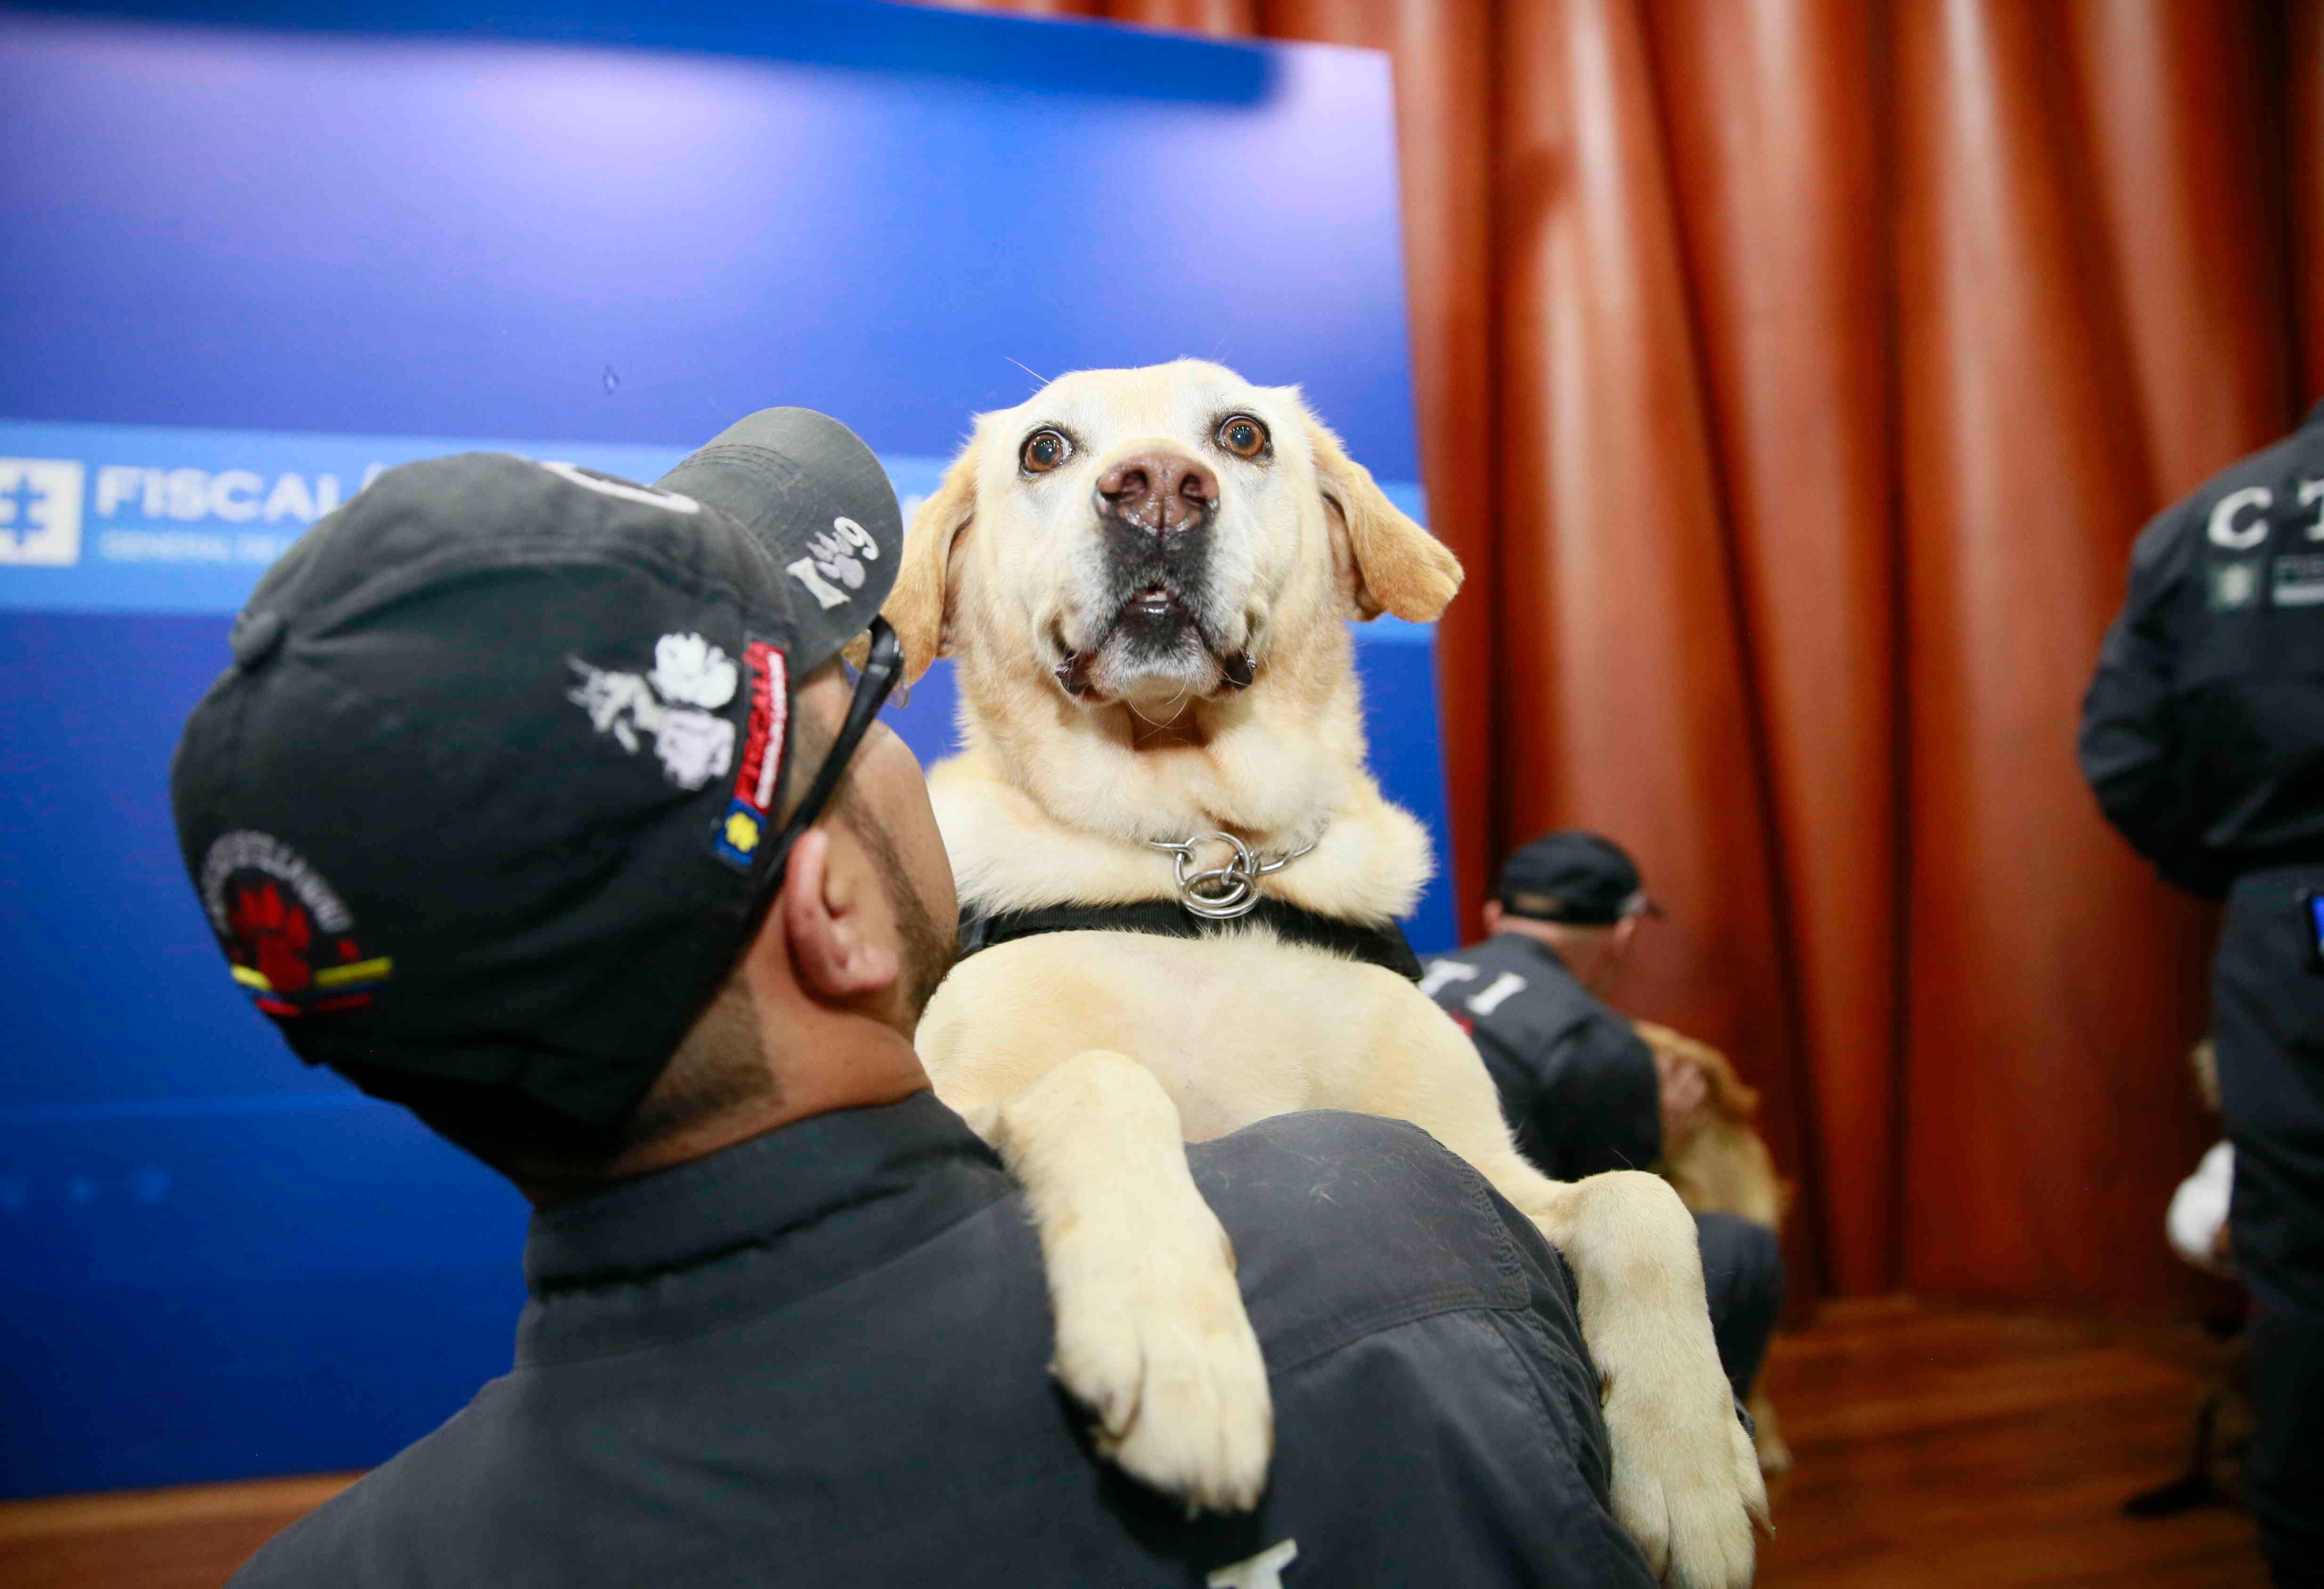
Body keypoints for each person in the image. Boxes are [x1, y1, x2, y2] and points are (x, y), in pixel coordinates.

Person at [175, 414, 1659, 1588]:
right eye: (864, 690)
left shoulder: (330, 1569)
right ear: (832, 914)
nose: (914, 731)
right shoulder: (1383, 1265)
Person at [2080, 403, 2324, 1588]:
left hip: (2292, 922)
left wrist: (2257, 876)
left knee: (2301, 1253)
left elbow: (2124, 755)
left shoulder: (2206, 522)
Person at [1420, 832, 1785, 1403]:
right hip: (1480, 1310)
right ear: (1623, 932)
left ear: (1493, 915)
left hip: (1357, 1251)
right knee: (1740, 1250)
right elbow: (1608, 1229)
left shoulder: (1404, 975)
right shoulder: (1597, 1042)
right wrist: (1656, 1141)